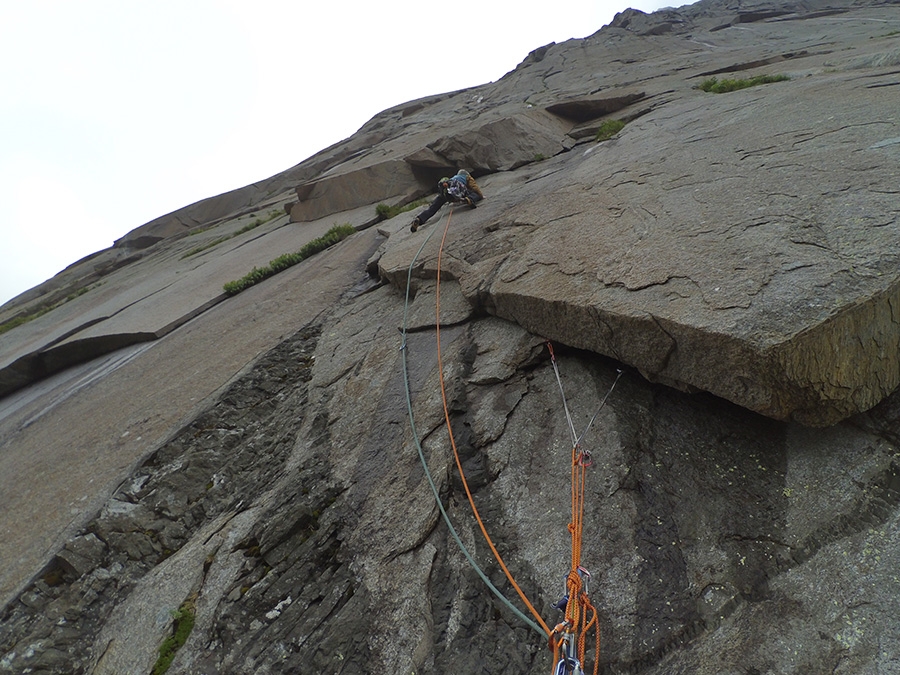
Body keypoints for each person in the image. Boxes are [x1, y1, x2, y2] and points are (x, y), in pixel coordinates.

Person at [410, 170, 484, 232]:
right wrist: (481, 195)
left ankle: (419, 219)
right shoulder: (467, 177)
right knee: (475, 194)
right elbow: (474, 187)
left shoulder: (452, 178)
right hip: (458, 190)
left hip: (446, 193)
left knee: (432, 208)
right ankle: (469, 199)